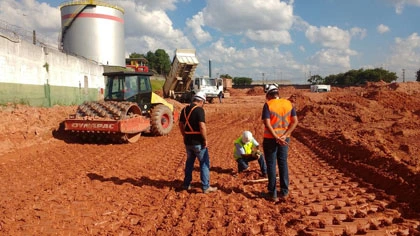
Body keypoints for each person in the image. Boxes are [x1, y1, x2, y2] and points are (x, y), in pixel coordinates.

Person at [261, 84, 298, 202]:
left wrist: (276, 136)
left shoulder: (268, 105)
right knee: (283, 163)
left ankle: (272, 193)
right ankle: (284, 191)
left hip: (270, 139)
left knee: (271, 165)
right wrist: (285, 136)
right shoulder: (288, 104)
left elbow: (267, 123)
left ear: (269, 95)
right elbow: (295, 122)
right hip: (284, 139)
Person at [178, 91, 218, 194]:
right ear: (201, 101)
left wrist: (184, 135)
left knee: (189, 163)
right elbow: (202, 126)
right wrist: (204, 139)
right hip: (198, 142)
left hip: (188, 141)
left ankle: (186, 184)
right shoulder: (199, 110)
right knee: (204, 163)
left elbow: (180, 125)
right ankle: (205, 187)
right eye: (203, 102)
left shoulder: (184, 109)